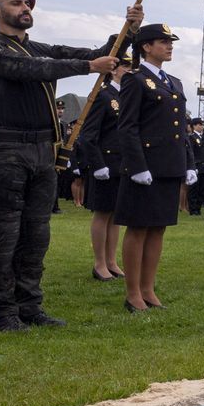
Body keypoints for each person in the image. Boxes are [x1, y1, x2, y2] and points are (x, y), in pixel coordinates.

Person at [0, 0, 137, 333]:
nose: (25, 8)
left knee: (36, 233)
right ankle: (2, 311)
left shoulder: (41, 49)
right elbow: (30, 69)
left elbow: (98, 52)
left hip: (43, 149)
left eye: (28, 4)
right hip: (4, 149)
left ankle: (30, 305)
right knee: (2, 233)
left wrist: (128, 32)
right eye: (16, 3)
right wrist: (88, 66)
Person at [113, 24, 198, 312]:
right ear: (146, 46)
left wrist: (189, 163)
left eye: (170, 42)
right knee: (138, 228)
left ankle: (148, 289)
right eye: (163, 41)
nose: (170, 46)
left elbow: (181, 129)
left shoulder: (174, 82)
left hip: (169, 165)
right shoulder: (134, 79)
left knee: (158, 229)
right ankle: (133, 293)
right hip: (145, 167)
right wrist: (137, 166)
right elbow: (127, 127)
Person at [72, 69, 126, 281]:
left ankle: (111, 261)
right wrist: (98, 164)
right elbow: (88, 135)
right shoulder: (103, 95)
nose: (130, 70)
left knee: (115, 215)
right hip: (105, 163)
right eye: (125, 65)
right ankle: (99, 263)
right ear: (113, 70)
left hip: (121, 163)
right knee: (103, 213)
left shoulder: (125, 95)